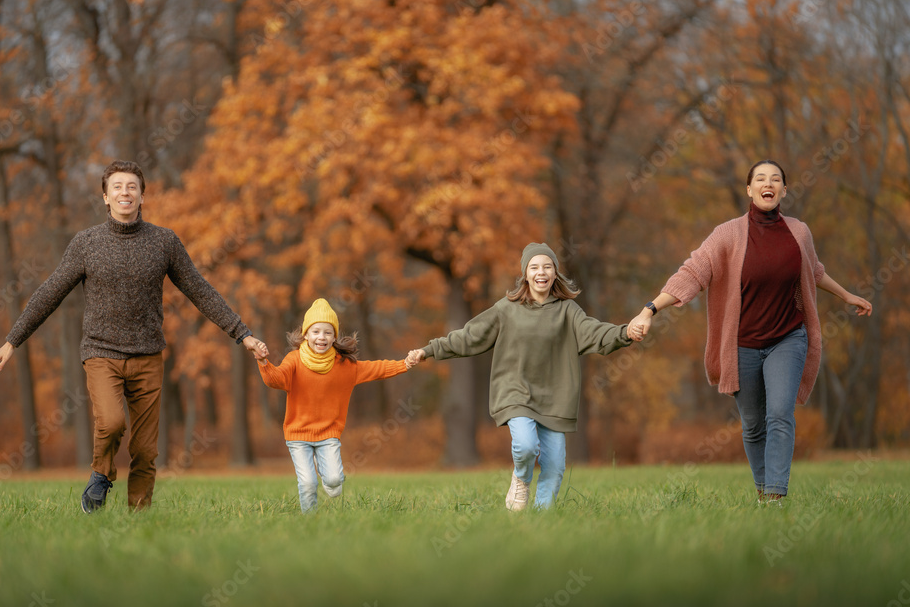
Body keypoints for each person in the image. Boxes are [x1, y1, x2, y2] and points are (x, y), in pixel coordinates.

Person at [0, 160, 265, 513]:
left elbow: (200, 289)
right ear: (105, 197)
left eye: (132, 186)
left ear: (142, 196)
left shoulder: (164, 242)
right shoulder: (86, 244)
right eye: (117, 187)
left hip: (148, 355)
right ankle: (101, 475)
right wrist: (12, 340)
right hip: (101, 352)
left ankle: (137, 521)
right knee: (112, 422)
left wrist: (243, 334)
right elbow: (50, 292)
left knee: (146, 451)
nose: (125, 193)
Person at [628, 160, 872, 505]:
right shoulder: (727, 235)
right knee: (754, 425)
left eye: (775, 179)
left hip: (788, 337)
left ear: (784, 191)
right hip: (741, 344)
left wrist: (847, 295)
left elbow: (812, 270)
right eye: (760, 179)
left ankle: (775, 496)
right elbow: (692, 272)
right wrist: (649, 310)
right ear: (749, 189)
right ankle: (763, 490)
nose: (768, 184)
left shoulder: (799, 232)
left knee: (780, 415)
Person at [408, 243, 642, 511]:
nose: (541, 272)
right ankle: (521, 479)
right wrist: (429, 350)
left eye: (547, 266)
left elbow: (596, 333)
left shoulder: (568, 311)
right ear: (525, 274)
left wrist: (625, 333)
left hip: (555, 398)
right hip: (515, 392)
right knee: (526, 445)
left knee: (554, 468)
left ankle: (540, 523)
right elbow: (469, 336)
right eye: (534, 267)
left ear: (555, 273)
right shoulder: (506, 309)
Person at [252, 298, 414, 513]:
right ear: (306, 334)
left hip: (329, 435)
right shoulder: (294, 360)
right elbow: (276, 379)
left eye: (328, 332)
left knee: (335, 481)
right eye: (316, 331)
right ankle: (310, 522)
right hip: (297, 434)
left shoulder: (345, 365)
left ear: (334, 337)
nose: (322, 337)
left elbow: (378, 368)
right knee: (308, 483)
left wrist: (405, 363)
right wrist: (264, 362)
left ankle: (332, 484)